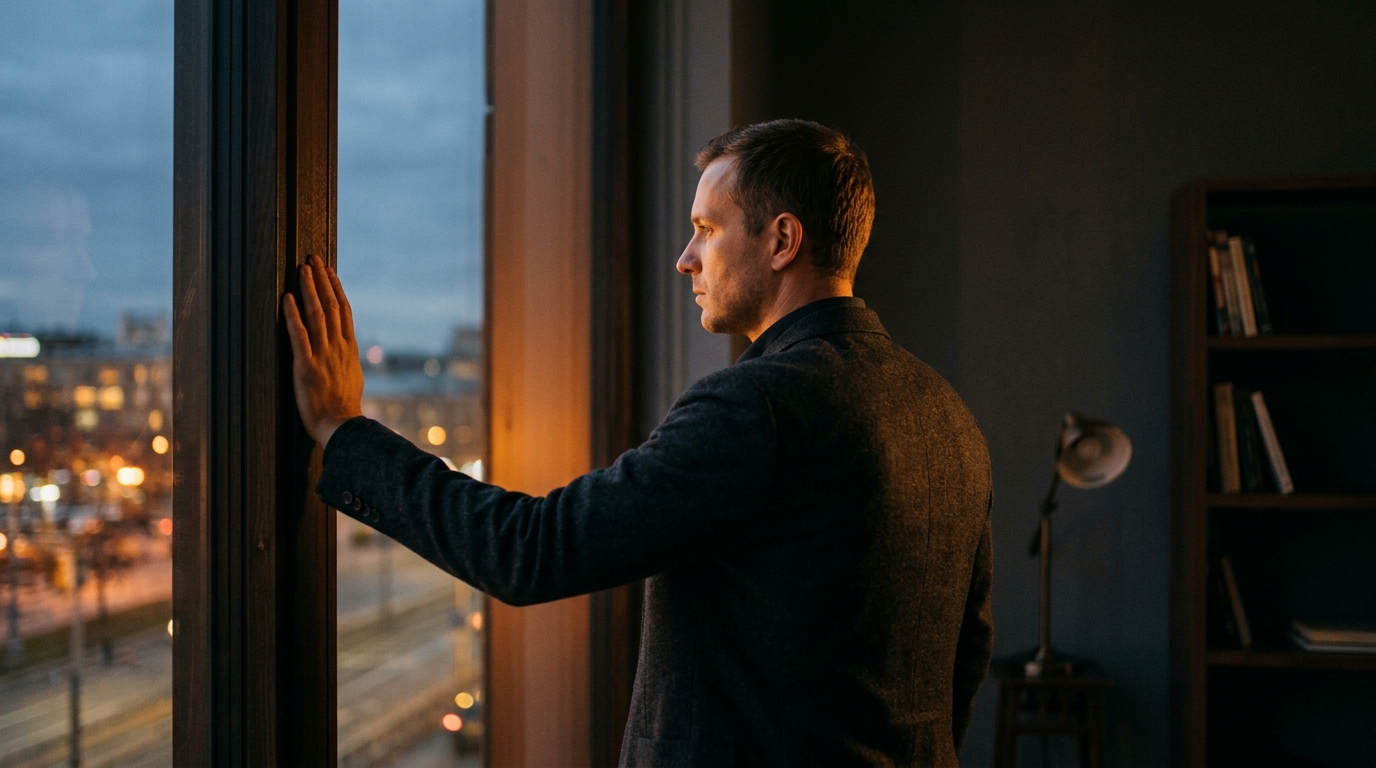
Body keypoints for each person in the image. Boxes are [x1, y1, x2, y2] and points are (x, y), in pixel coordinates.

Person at [284, 119, 992, 767]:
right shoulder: (947, 416)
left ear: (781, 241)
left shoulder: (758, 406)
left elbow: (529, 550)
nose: (686, 259)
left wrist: (343, 431)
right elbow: (965, 657)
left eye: (707, 230)